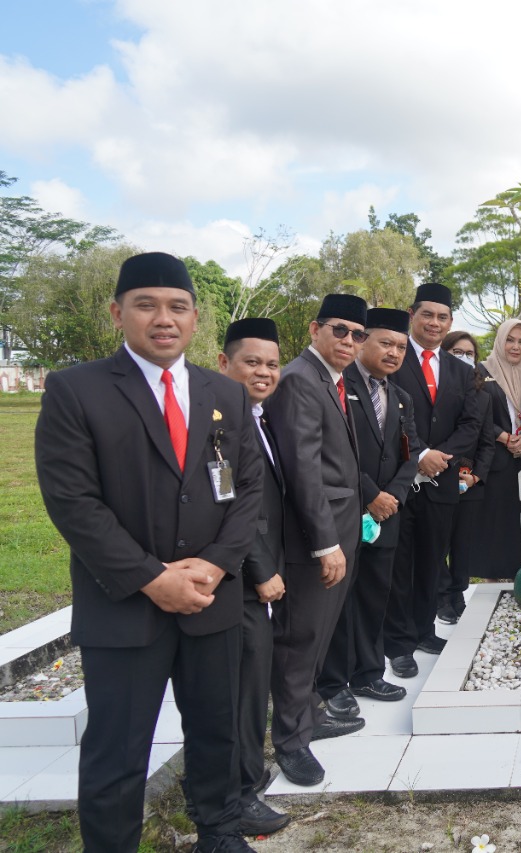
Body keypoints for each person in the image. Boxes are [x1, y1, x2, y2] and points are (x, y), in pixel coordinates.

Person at [35, 251, 264, 852]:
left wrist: (215, 564)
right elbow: (73, 501)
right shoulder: (75, 390)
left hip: (212, 597)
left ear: (194, 320)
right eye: (147, 305)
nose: (164, 319)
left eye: (178, 307)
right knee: (118, 744)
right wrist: (150, 577)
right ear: (118, 314)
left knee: (216, 728)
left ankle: (217, 829)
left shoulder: (226, 395)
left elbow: (247, 491)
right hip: (125, 605)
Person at [265, 292, 368, 787]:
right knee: (299, 637)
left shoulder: (333, 380)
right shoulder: (299, 380)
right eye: (340, 330)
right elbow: (302, 469)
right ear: (315, 329)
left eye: (358, 334)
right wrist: (326, 543)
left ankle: (308, 714)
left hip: (341, 529)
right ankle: (289, 741)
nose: (349, 341)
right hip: (313, 539)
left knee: (320, 633)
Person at [317, 309, 423, 720]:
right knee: (339, 599)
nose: (394, 352)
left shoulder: (400, 397)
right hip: (345, 511)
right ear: (363, 342)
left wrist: (391, 497)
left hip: (385, 515)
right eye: (385, 343)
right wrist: (371, 494)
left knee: (375, 595)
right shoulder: (341, 388)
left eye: (400, 346)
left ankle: (367, 671)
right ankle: (332, 682)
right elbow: (334, 452)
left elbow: (410, 453)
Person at [383, 283, 480, 676]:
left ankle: (424, 629)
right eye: (427, 315)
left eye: (443, 317)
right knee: (400, 563)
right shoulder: (393, 358)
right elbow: (386, 415)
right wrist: (420, 453)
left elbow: (472, 423)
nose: (435, 323)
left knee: (430, 561)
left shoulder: (461, 369)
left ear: (451, 322)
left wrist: (440, 457)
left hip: (442, 480)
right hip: (398, 478)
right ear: (412, 315)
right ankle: (398, 642)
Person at [217, 317, 290, 836]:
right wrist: (261, 569)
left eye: (271, 364)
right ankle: (237, 794)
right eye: (251, 362)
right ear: (224, 363)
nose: (263, 372)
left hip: (261, 577)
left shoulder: (258, 417)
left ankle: (247, 771)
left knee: (253, 683)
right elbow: (228, 504)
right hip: (238, 582)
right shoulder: (218, 423)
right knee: (240, 690)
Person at [476, 318, 521, 579]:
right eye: (510, 340)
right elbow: (473, 414)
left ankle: (520, 575)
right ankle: (492, 575)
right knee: (496, 519)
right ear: (500, 340)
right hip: (497, 457)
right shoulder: (481, 371)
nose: (516, 347)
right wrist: (502, 436)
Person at [442, 329, 496, 607]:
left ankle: (457, 595)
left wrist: (475, 476)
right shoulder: (434, 391)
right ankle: (440, 596)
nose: (464, 358)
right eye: (457, 352)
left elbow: (487, 442)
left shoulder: (483, 397)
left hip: (468, 481)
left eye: (470, 354)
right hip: (435, 477)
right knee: (437, 544)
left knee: (462, 545)